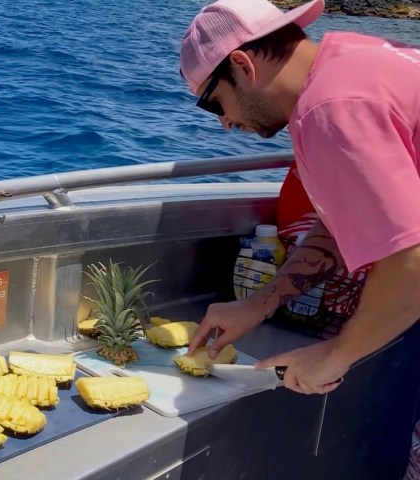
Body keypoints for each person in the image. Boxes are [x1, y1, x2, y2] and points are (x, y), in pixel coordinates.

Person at [179, 0, 420, 476]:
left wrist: (335, 355)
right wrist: (263, 302)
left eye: (213, 102)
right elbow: (348, 220)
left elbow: (412, 257)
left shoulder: (330, 109)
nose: (224, 123)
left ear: (243, 65)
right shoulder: (351, 63)